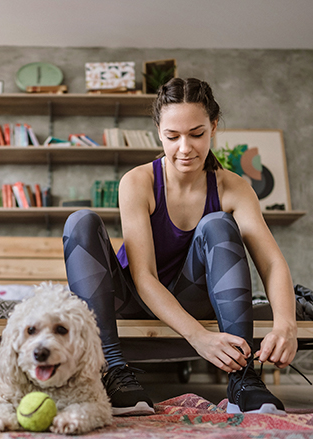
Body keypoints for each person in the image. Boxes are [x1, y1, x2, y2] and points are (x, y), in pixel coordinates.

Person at [63, 77, 297, 416]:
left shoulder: (234, 188)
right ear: (159, 131)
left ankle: (242, 379)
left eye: (197, 134)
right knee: (79, 222)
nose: (185, 148)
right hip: (132, 298)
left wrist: (285, 325)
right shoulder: (138, 181)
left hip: (192, 297)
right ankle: (111, 369)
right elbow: (144, 277)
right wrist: (199, 337)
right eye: (173, 136)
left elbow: (272, 264)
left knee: (217, 223)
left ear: (214, 127)